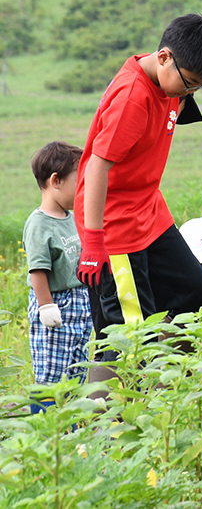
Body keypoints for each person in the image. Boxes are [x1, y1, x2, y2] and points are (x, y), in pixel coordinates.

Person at [74, 14, 202, 363]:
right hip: (115, 225)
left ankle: (164, 371)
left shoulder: (169, 75)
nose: (189, 93)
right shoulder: (133, 99)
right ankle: (118, 411)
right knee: (128, 333)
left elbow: (180, 91)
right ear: (163, 57)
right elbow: (97, 166)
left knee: (196, 289)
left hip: (148, 210)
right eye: (190, 83)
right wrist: (94, 242)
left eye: (199, 86)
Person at [23, 142, 92, 406]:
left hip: (80, 305)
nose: (84, 188)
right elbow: (38, 269)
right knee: (52, 377)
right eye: (80, 180)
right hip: (56, 305)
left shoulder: (71, 217)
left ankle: (69, 432)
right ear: (56, 181)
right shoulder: (39, 224)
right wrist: (47, 306)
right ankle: (46, 428)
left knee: (77, 372)